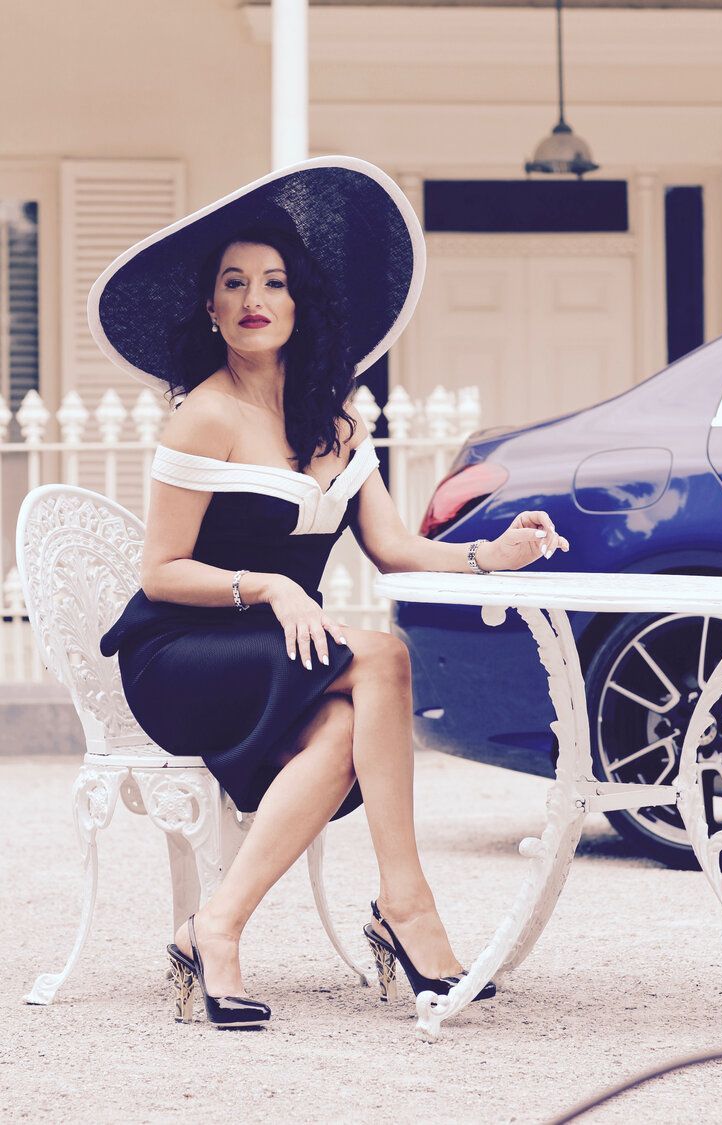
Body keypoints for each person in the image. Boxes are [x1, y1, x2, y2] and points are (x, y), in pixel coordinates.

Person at [91, 157, 569, 1029]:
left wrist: (493, 554)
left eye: (273, 281)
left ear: (300, 302)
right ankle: (407, 908)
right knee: (384, 653)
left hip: (281, 656)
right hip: (179, 651)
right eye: (232, 284)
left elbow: (392, 548)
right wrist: (269, 584)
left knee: (352, 718)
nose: (252, 298)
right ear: (210, 307)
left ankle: (218, 927)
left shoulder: (339, 420)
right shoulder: (204, 412)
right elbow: (161, 571)